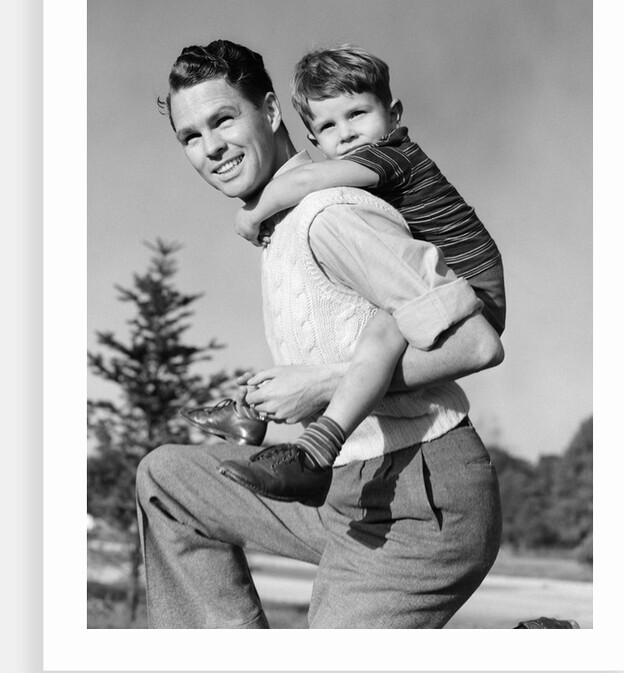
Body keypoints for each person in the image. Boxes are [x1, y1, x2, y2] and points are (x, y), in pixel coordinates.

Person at [136, 39, 504, 628]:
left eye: (224, 119)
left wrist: (322, 386)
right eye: (190, 136)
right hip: (342, 489)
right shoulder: (281, 223)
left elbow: (478, 342)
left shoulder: (329, 212)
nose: (211, 148)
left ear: (273, 111)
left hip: (418, 501)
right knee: (169, 480)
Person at [219, 45, 505, 504]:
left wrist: (253, 216)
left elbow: (305, 181)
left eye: (357, 113)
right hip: (449, 279)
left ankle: (315, 450)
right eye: (328, 126)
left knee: (381, 333)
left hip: (474, 289)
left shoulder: (392, 155)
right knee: (373, 327)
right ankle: (253, 413)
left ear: (392, 114)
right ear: (313, 137)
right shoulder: (372, 166)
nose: (347, 134)